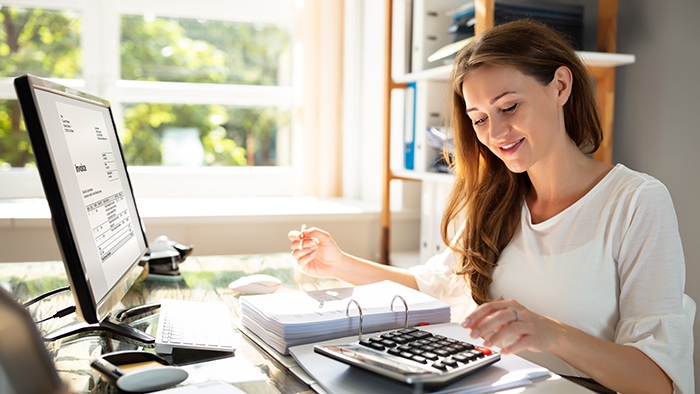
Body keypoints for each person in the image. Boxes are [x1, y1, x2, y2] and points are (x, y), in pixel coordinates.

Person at [288, 20, 693, 394]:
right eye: (479, 119)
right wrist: (338, 264)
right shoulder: (496, 200)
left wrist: (550, 333)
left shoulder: (636, 201)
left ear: (561, 86)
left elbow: (659, 379)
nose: (496, 133)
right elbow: (436, 286)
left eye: (509, 106)